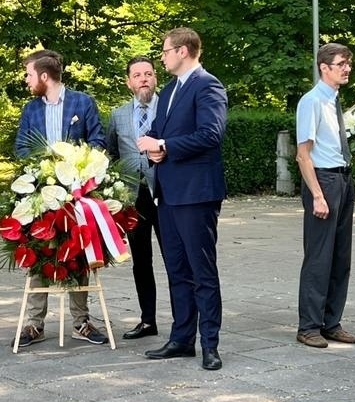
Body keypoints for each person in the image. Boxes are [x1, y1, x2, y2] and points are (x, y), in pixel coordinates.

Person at [137, 27, 228, 371]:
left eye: (165, 51)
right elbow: (163, 133)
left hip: (197, 193)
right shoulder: (172, 89)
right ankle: (181, 338)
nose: (162, 57)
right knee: (177, 269)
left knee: (202, 270)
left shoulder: (208, 85)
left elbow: (211, 134)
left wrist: (164, 147)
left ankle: (210, 344)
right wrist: (155, 147)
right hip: (169, 193)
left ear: (184, 51)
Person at [14, 50, 108, 347]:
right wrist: (43, 166)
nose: (26, 80)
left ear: (44, 76)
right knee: (38, 251)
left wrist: (78, 164)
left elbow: (98, 140)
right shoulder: (31, 109)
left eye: (29, 74)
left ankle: (81, 321)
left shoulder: (83, 102)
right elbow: (20, 147)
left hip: (79, 191)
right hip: (41, 191)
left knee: (77, 253)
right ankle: (34, 323)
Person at [294, 43, 355, 350]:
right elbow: (303, 155)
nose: (347, 68)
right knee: (319, 257)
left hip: (343, 179)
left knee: (340, 257)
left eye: (348, 63)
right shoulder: (312, 102)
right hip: (324, 181)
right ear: (324, 67)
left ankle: (331, 322)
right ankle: (309, 326)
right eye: (341, 63)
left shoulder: (333, 101)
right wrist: (318, 196)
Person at [106, 55, 163, 340]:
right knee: (141, 261)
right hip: (133, 197)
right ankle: (148, 320)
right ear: (129, 82)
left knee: (175, 258)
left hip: (165, 194)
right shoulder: (117, 115)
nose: (144, 79)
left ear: (155, 78)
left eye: (149, 74)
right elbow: (112, 153)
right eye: (138, 75)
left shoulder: (169, 108)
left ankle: (185, 321)